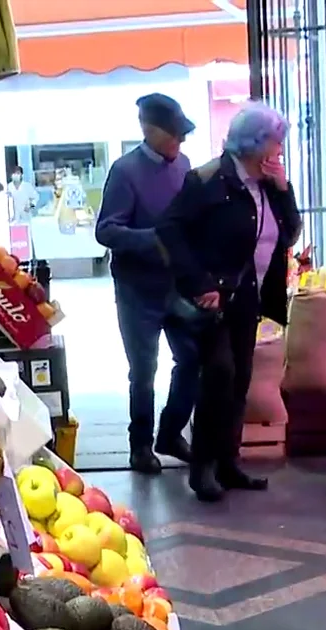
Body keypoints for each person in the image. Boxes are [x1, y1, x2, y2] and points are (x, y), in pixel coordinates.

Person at [157, 101, 302, 503]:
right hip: (213, 301)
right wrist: (198, 281)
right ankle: (202, 467)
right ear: (255, 143)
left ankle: (227, 462)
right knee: (219, 376)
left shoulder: (267, 185)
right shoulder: (208, 180)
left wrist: (284, 188)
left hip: (249, 298)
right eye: (275, 142)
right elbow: (170, 229)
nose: (279, 150)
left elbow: (290, 233)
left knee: (239, 381)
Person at [95, 92, 201, 474]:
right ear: (148, 130)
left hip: (178, 285)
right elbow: (106, 231)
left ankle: (170, 433)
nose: (180, 141)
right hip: (137, 290)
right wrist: (154, 239)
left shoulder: (184, 166)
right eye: (174, 134)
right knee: (143, 371)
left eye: (183, 133)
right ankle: (139, 446)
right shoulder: (125, 172)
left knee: (192, 358)